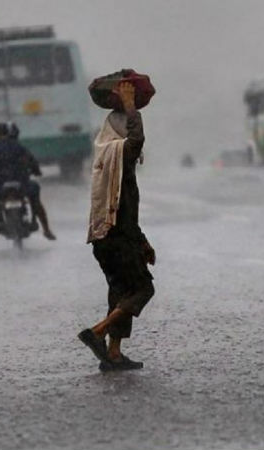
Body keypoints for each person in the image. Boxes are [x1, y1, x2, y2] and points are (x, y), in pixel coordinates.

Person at [78, 82, 156, 372]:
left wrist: (143, 242)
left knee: (121, 292)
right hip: (117, 237)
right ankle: (97, 332)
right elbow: (137, 140)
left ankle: (113, 353)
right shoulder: (118, 153)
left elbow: (125, 210)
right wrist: (130, 104)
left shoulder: (107, 155)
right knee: (143, 289)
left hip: (106, 238)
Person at [0, 122, 56, 246]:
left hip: (2, 185)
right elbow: (32, 162)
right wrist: (36, 171)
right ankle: (46, 230)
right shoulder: (20, 147)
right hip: (22, 184)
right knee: (36, 202)